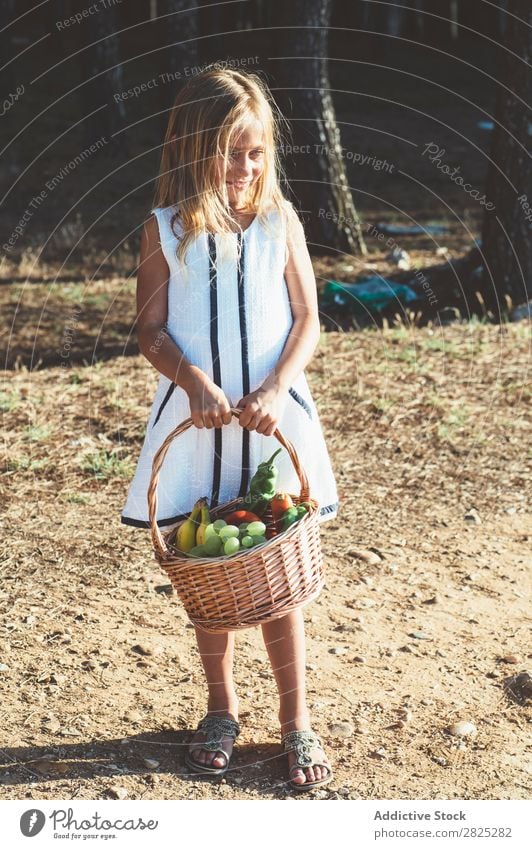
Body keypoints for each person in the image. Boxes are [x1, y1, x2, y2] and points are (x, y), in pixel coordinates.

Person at [121, 67, 339, 791]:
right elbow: (151, 331)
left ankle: (296, 719)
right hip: (197, 424)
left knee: (280, 578)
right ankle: (221, 707)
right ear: (192, 148)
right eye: (229, 152)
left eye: (255, 152)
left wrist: (277, 386)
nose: (244, 167)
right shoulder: (163, 230)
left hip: (272, 426)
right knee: (209, 580)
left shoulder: (282, 223)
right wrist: (194, 383)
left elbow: (307, 320)